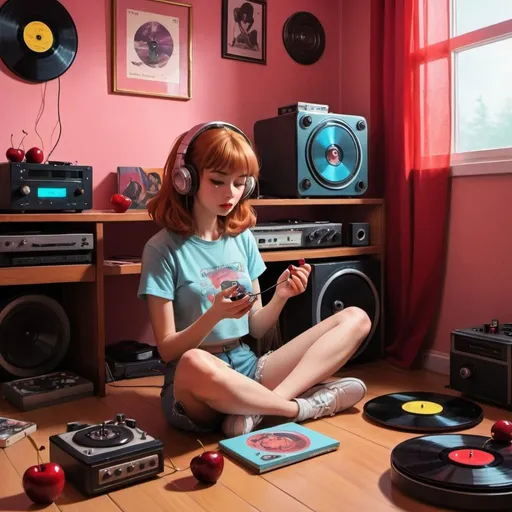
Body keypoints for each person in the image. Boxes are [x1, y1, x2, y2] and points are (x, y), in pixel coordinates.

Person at [137, 121, 371, 438]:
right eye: (218, 181)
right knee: (194, 360)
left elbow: (257, 327)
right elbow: (167, 351)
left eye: (239, 184)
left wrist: (281, 296)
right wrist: (213, 316)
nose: (230, 194)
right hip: (197, 382)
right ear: (185, 180)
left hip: (249, 368)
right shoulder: (161, 249)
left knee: (357, 318)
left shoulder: (242, 238)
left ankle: (259, 409)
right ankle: (299, 408)